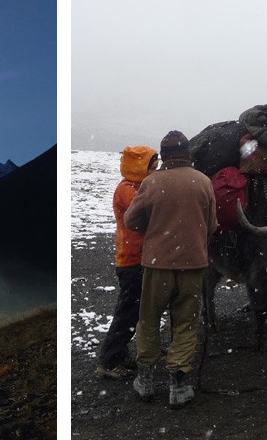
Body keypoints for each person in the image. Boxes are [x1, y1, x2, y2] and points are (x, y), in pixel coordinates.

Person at [124, 131, 217, 409]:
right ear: (187, 153)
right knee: (186, 323)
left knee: (149, 320)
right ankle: (178, 386)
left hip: (157, 265)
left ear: (164, 155)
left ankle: (146, 381)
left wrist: (155, 228)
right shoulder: (203, 182)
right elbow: (212, 226)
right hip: (194, 265)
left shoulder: (152, 183)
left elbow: (131, 220)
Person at [95, 145, 157, 380]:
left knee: (133, 311)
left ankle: (118, 354)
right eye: (152, 164)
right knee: (127, 312)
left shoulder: (136, 187)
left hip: (136, 257)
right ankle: (108, 361)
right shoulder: (127, 190)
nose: (156, 168)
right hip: (131, 260)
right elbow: (145, 213)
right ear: (141, 166)